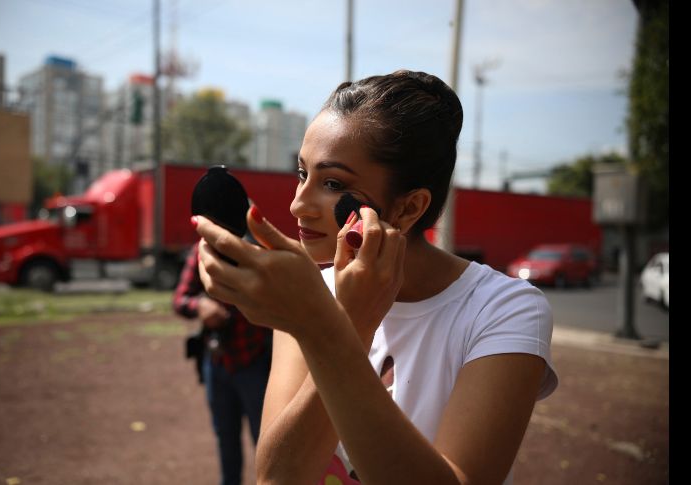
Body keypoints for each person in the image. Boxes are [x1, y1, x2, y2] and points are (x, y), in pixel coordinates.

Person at [190, 70, 558, 484]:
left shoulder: (504, 309)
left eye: (331, 183)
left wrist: (335, 327)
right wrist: (335, 322)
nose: (298, 204)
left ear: (408, 207)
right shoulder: (309, 294)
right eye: (301, 174)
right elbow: (278, 479)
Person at [173, 241, 272, 485]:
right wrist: (201, 305)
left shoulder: (254, 249)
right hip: (217, 362)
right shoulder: (201, 250)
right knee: (225, 437)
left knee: (267, 441)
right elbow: (180, 299)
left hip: (254, 360)